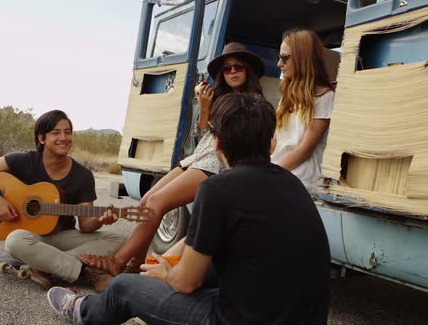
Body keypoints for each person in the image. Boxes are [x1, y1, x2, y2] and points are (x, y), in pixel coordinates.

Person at [47, 93, 331, 325]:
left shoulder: (218, 188)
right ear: (272, 142)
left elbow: (185, 282)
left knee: (124, 287)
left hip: (234, 319)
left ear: (217, 143)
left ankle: (83, 311)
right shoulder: (294, 186)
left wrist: (166, 275)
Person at [80, 42, 265, 275]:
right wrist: (206, 107)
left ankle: (117, 262)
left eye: (238, 67)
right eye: (227, 69)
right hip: (198, 156)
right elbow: (202, 133)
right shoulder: (221, 97)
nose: (233, 72)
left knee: (158, 203)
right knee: (147, 200)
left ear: (248, 69)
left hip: (217, 162)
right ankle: (136, 265)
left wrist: (210, 110)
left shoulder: (254, 103)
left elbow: (232, 138)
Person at [0, 110, 126, 291]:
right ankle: (86, 272)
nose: (64, 137)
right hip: (31, 236)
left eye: (67, 132)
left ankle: (43, 263)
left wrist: (100, 220)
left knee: (120, 240)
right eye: (56, 133)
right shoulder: (24, 160)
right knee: (14, 241)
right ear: (42, 138)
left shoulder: (83, 175)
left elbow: (86, 226)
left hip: (62, 236)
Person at [271, 28, 336, 195]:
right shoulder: (286, 96)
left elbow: (305, 150)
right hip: (278, 171)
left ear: (303, 59)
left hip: (300, 179)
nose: (279, 64)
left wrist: (269, 174)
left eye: (285, 58)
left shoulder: (325, 96)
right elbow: (276, 143)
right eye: (279, 58)